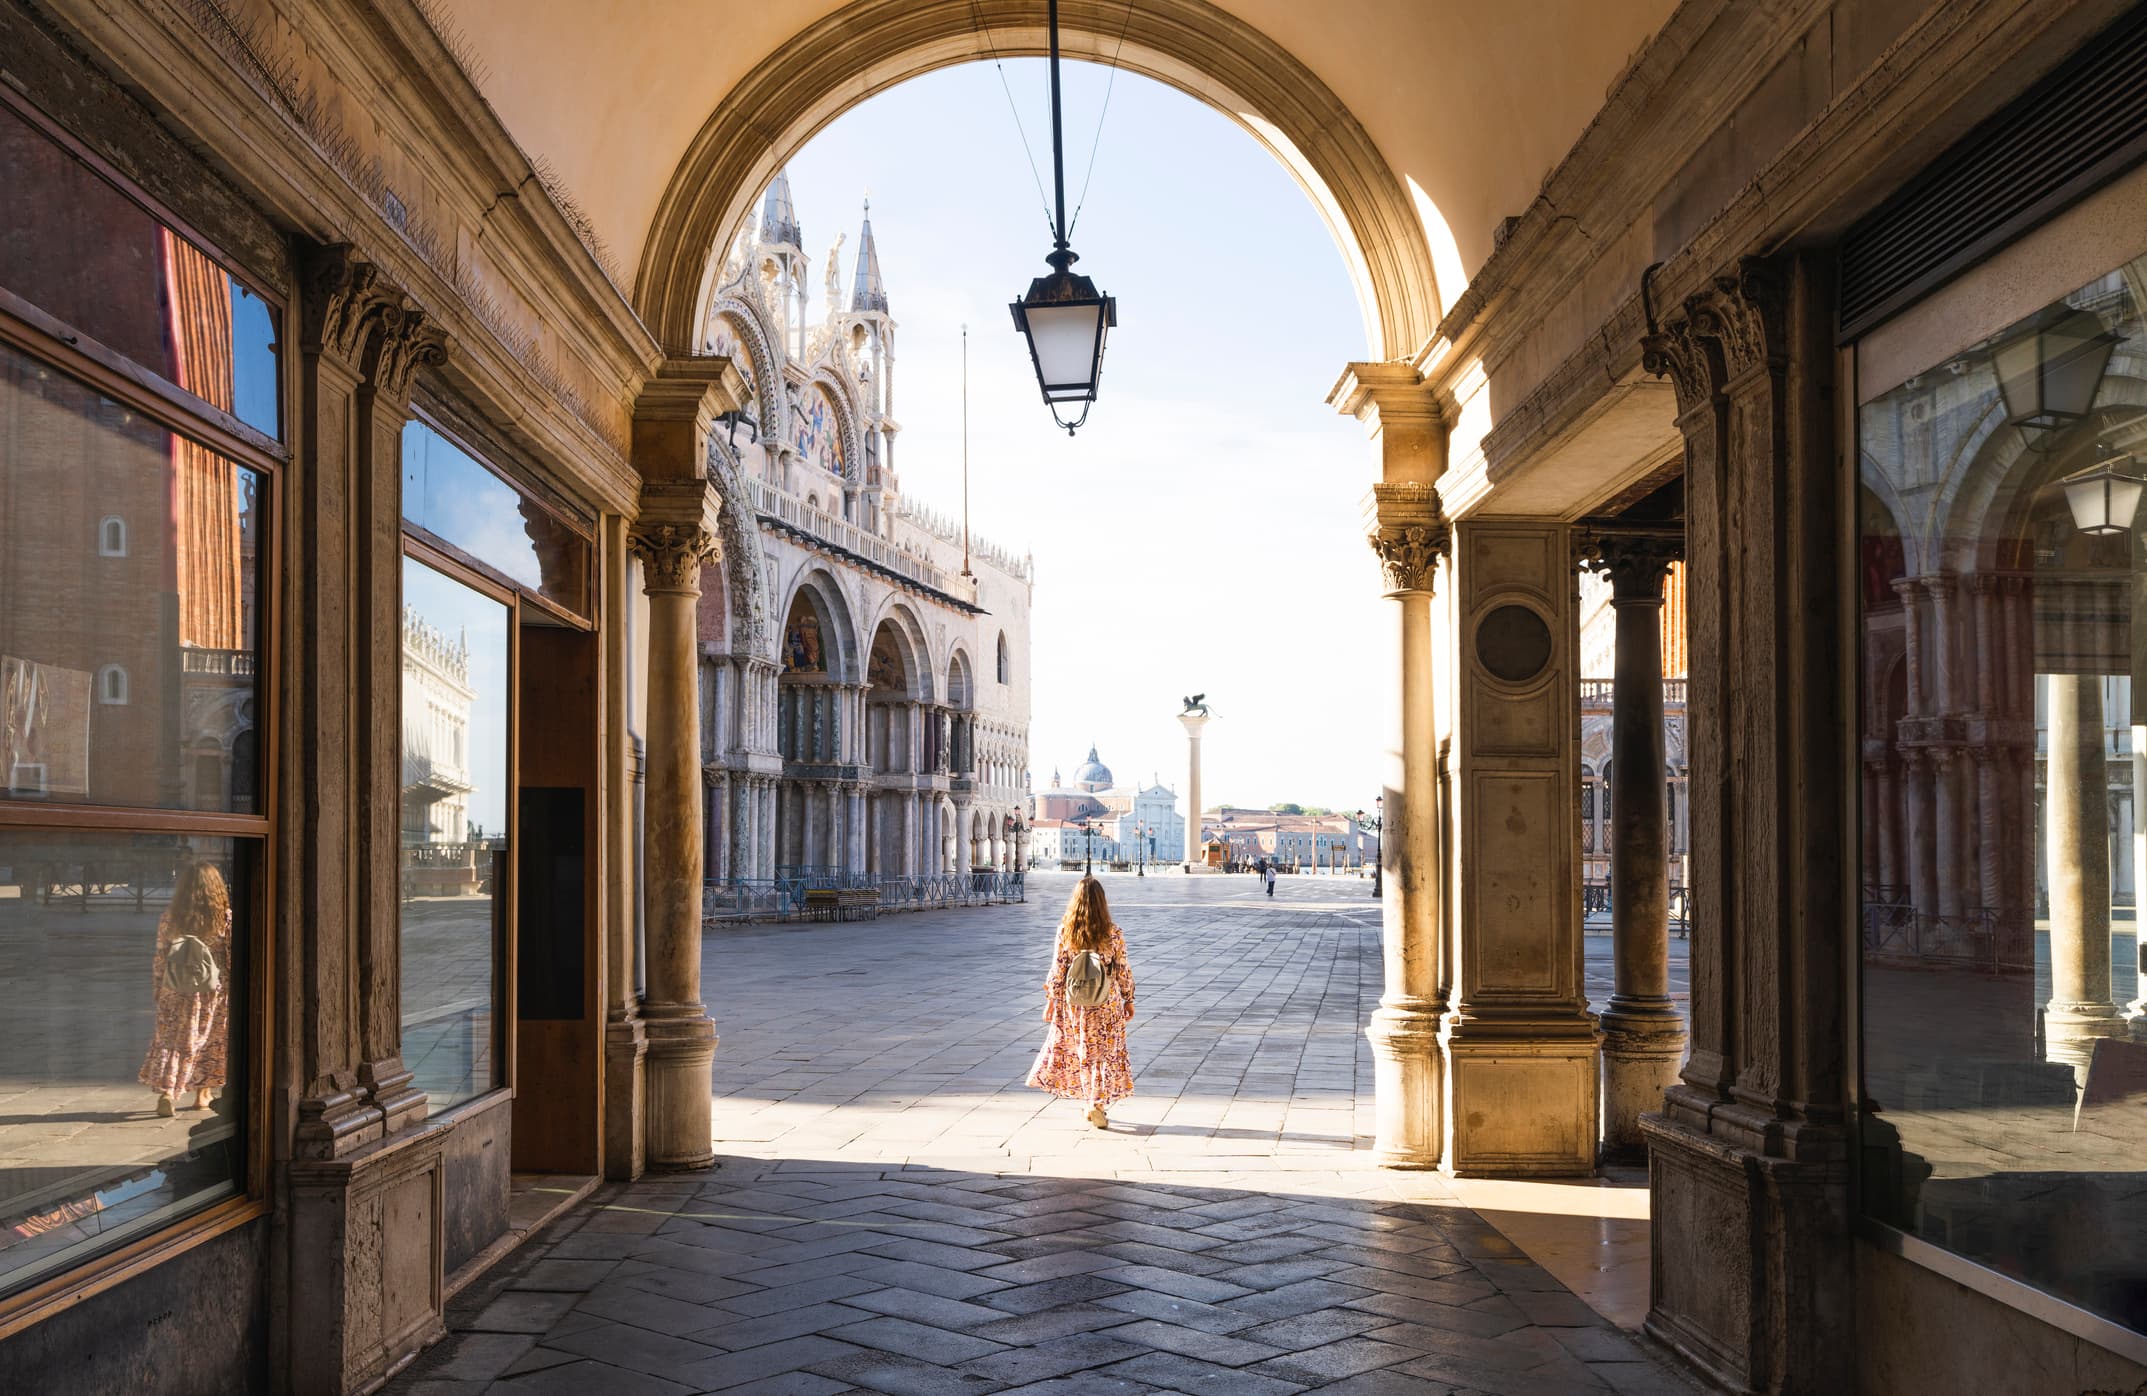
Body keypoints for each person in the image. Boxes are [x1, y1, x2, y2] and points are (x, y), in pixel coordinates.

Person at [1025, 875, 1135, 1129]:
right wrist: (1128, 999)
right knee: (1104, 1055)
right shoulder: (1113, 932)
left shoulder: (1066, 931)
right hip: (1106, 1001)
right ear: (1102, 902)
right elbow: (1122, 969)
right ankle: (1097, 1103)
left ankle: (1089, 1102)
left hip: (1075, 1003)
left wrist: (1051, 1001)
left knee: (1082, 1052)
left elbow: (1058, 970)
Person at [140, 858, 232, 1117]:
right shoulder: (224, 918)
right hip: (211, 992)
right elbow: (230, 956)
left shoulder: (170, 918)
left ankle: (168, 1092)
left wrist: (158, 986)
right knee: (208, 1042)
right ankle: (203, 1095)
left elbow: (161, 955)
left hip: (175, 987)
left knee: (171, 1042)